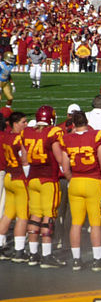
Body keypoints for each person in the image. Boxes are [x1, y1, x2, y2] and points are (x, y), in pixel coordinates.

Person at [60, 110, 101, 271]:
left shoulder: (67, 139)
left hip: (76, 181)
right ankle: (97, 261)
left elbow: (65, 168)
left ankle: (76, 260)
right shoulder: (96, 136)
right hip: (93, 182)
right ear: (86, 122)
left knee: (76, 223)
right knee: (95, 223)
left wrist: (73, 179)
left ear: (73, 124)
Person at [22, 106, 65, 267]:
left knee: (34, 215)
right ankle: (46, 255)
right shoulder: (52, 133)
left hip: (33, 178)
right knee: (48, 216)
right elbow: (59, 158)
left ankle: (33, 254)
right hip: (48, 180)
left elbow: (24, 159)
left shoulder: (28, 132)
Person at [0, 111, 29, 262]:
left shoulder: (5, 135)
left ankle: (0, 246)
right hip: (19, 177)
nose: (26, 124)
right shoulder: (20, 138)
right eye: (23, 122)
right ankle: (19, 251)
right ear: (15, 123)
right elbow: (24, 160)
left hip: (9, 177)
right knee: (22, 216)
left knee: (8, 214)